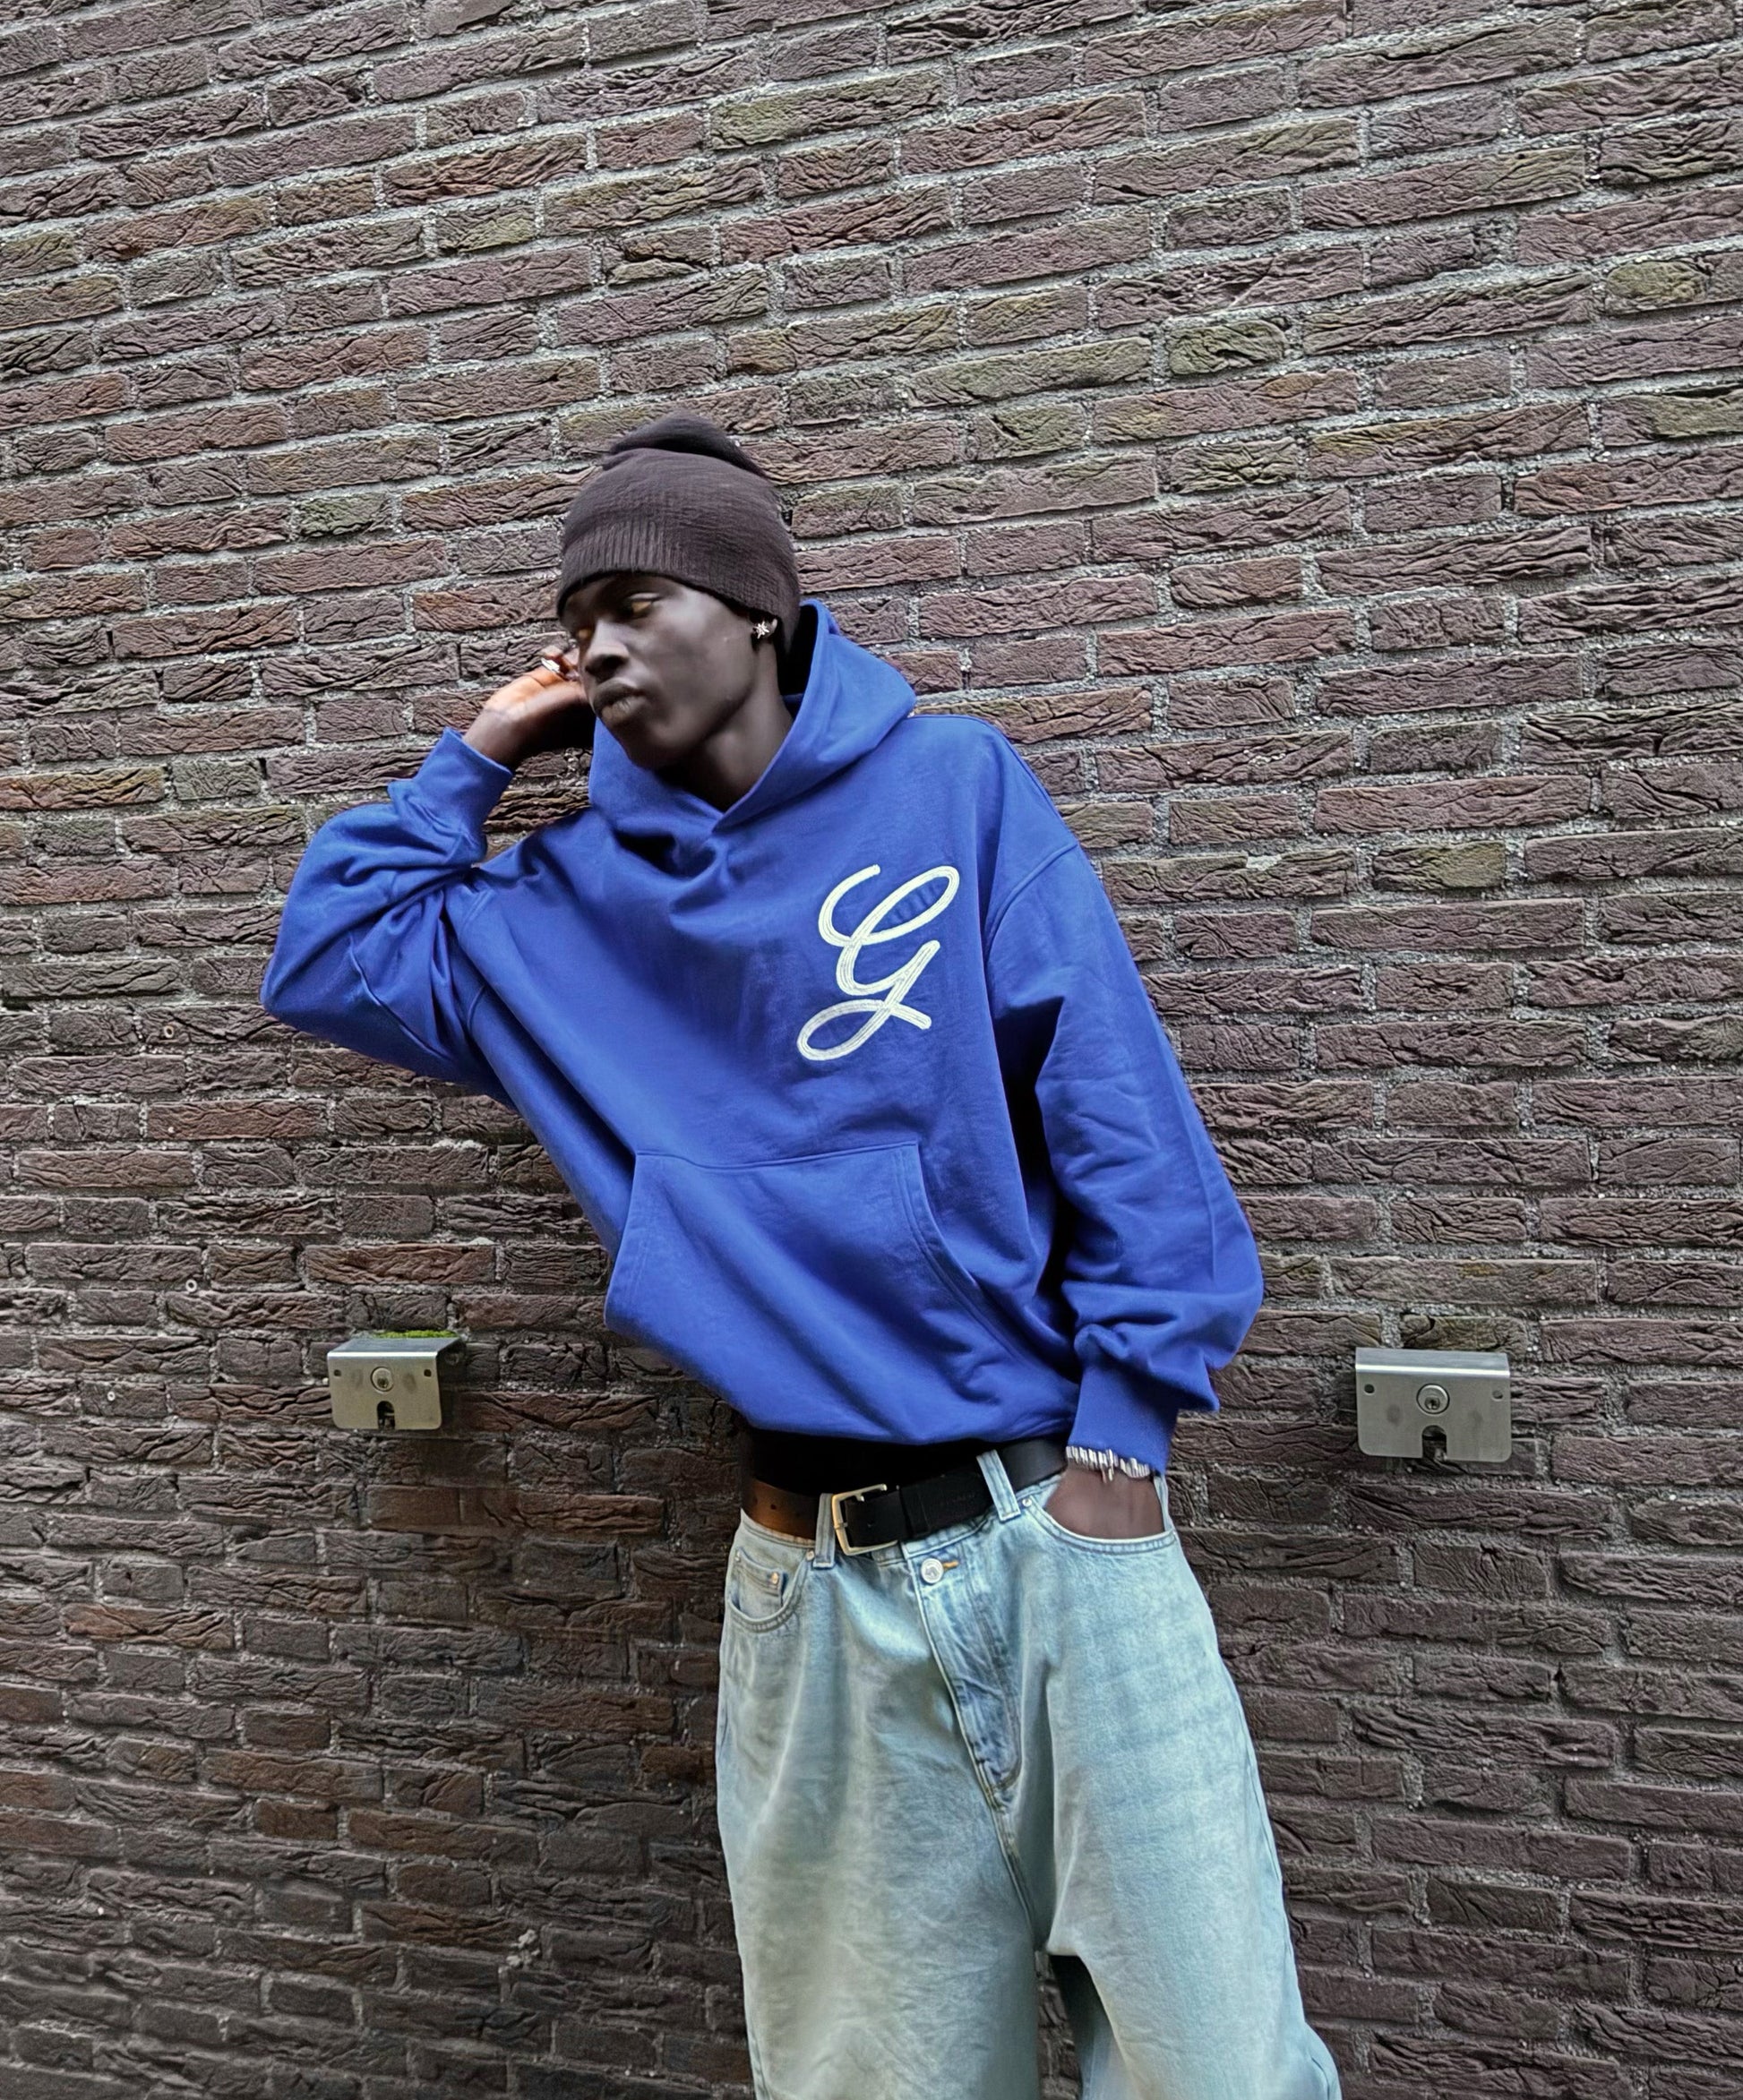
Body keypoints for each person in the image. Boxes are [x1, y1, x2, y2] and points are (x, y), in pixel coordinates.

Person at [260, 411, 1342, 2100]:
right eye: (574, 618)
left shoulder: (951, 788)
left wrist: (1126, 1439)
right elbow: (328, 957)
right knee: (867, 2079)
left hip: (1056, 1529)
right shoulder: (556, 911)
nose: (598, 646)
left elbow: (1113, 1104)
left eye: (638, 600)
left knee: (1220, 2071)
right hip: (807, 1583)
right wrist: (480, 751)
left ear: (760, 608)